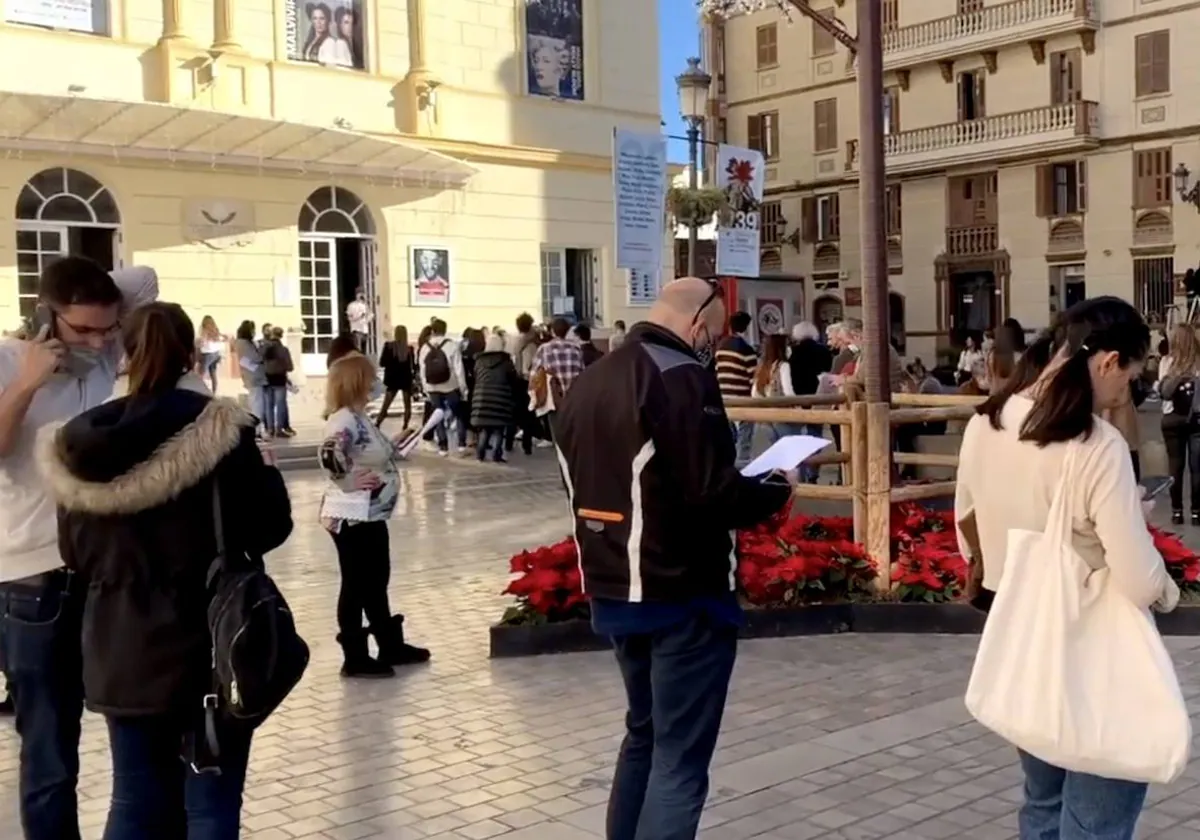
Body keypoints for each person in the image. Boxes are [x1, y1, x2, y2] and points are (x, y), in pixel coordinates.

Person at [37, 302, 292, 838]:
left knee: (133, 799)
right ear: (190, 352)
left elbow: (75, 555)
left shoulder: (79, 442)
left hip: (119, 646)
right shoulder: (222, 429)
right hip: (208, 645)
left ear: (124, 350)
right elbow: (271, 525)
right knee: (211, 802)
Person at [552, 277, 795, 840]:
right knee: (679, 760)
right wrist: (776, 491)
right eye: (710, 333)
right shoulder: (681, 374)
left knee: (644, 733)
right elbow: (711, 491)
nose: (710, 344)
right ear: (696, 325)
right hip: (682, 592)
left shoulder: (591, 381)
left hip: (615, 586)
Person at [957, 296, 1179, 839]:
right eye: (1128, 377)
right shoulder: (1093, 445)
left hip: (1020, 637)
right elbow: (1134, 574)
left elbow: (968, 526)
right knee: (1098, 810)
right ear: (1107, 363)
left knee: (1043, 800)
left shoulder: (987, 421)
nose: (1125, 391)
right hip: (1089, 647)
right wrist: (1168, 592)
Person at [0, 257, 157, 840]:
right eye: (84, 330)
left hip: (103, 572)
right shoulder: (7, 361)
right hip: (33, 582)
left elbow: (143, 279)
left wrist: (98, 309)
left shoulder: (105, 355)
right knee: (50, 748)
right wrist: (29, 378)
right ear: (44, 316)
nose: (101, 341)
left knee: (131, 726)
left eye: (108, 329)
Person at [319, 354, 431, 677]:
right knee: (356, 583)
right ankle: (355, 656)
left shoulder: (359, 417)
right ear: (356, 381)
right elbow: (329, 453)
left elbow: (371, 451)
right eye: (370, 377)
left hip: (370, 514)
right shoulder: (344, 420)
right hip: (352, 516)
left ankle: (389, 644)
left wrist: (395, 444)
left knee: (376, 579)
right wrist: (348, 480)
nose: (376, 383)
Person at [1158, 324, 1200, 524]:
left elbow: (1162, 393)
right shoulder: (1198, 363)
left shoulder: (1166, 362)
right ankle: (1196, 512)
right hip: (1196, 420)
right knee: (1197, 468)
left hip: (1171, 420)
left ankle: (1176, 512)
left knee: (1175, 466)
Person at [417, 318, 468, 456]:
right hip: (450, 386)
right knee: (459, 415)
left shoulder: (425, 347)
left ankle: (443, 447)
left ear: (432, 330)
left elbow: (422, 370)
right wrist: (463, 388)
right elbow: (459, 369)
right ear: (445, 330)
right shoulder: (451, 345)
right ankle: (461, 445)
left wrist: (426, 388)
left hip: (433, 387)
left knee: (437, 415)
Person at [714, 311, 757, 465]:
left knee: (729, 437)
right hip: (743, 399)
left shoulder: (720, 347)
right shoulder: (746, 349)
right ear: (746, 328)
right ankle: (742, 467)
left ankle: (728, 466)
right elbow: (753, 378)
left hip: (724, 397)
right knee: (744, 438)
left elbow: (717, 370)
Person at [470, 335, 521, 463]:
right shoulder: (505, 361)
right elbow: (513, 379)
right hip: (501, 397)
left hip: (482, 396)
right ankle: (496, 455)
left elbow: (476, 376)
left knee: (484, 427)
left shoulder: (479, 361)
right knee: (499, 428)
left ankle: (480, 454)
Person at [529, 317, 584, 436]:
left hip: (553, 399)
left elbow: (534, 374)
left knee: (557, 434)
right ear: (567, 331)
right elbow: (583, 373)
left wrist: (533, 395)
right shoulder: (576, 349)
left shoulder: (544, 349)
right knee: (572, 434)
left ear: (552, 331)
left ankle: (559, 452)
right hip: (573, 398)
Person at [506, 313, 543, 455]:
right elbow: (530, 365)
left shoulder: (513, 341)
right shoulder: (531, 344)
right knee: (528, 413)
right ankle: (527, 445)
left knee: (514, 413)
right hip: (527, 381)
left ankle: (508, 442)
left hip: (514, 380)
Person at [377, 325, 416, 429]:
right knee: (407, 406)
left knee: (385, 405)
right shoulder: (409, 349)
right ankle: (405, 425)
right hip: (405, 379)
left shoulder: (388, 346)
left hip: (392, 379)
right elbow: (413, 366)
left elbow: (382, 363)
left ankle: (378, 424)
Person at [260, 326, 295, 438]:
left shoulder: (263, 349)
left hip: (266, 379)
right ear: (281, 335)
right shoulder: (283, 350)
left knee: (268, 405)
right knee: (280, 404)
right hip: (280, 379)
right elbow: (290, 367)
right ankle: (279, 429)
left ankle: (270, 429)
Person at [233, 320, 266, 435]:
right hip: (255, 377)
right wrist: (261, 352)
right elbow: (255, 357)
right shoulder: (245, 344)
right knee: (257, 404)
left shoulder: (239, 343)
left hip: (249, 375)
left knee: (255, 402)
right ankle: (257, 430)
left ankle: (256, 429)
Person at [196, 315, 225, 393]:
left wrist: (199, 344)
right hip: (216, 354)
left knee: (201, 373)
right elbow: (222, 338)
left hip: (207, 354)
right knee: (213, 374)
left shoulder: (205, 330)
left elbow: (202, 342)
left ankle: (199, 391)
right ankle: (214, 392)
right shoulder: (215, 329)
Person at [345, 288, 371, 354]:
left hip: (365, 330)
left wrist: (367, 320)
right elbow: (349, 318)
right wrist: (358, 317)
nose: (361, 295)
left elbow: (371, 315)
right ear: (356, 295)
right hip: (356, 330)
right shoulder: (351, 305)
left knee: (364, 351)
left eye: (362, 294)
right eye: (359, 294)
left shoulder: (365, 305)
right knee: (358, 349)